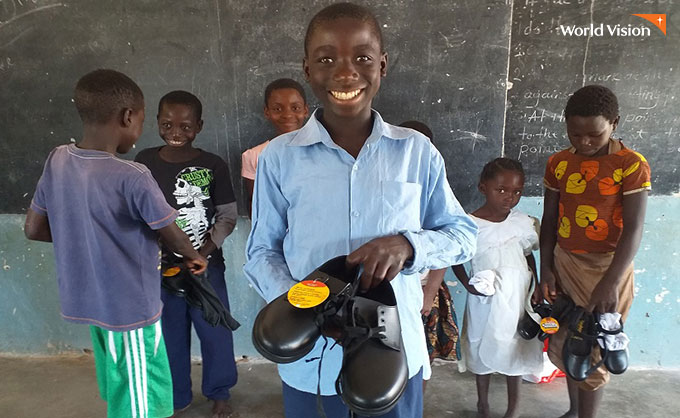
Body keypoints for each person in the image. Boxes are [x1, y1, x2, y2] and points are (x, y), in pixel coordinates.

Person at [244, 3, 478, 417]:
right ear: (307, 68)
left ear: (383, 65)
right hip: (311, 359)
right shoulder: (280, 158)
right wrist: (305, 307)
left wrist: (408, 246)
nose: (345, 72)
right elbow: (261, 252)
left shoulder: (416, 152)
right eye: (326, 59)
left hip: (388, 354)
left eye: (363, 58)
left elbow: (463, 236)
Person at [24, 69, 208, 418]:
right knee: (141, 398)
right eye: (140, 120)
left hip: (90, 300)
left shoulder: (58, 160)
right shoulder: (132, 176)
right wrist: (195, 257)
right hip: (130, 307)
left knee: (120, 384)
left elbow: (33, 229)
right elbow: (171, 231)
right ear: (127, 117)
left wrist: (81, 237)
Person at [540, 85, 650, 418]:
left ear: (614, 123)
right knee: (570, 340)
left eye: (594, 134)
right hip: (566, 263)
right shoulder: (559, 163)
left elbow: (633, 229)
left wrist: (611, 282)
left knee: (596, 346)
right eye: (575, 133)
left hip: (609, 268)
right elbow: (548, 222)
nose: (584, 142)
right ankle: (574, 411)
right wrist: (545, 267)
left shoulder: (630, 165)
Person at [134, 90, 238, 418]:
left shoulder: (213, 165)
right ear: (157, 124)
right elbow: (137, 212)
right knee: (169, 335)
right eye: (167, 124)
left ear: (199, 126)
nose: (176, 132)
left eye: (185, 126)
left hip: (205, 268)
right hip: (160, 269)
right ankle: (177, 396)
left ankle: (219, 392)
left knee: (214, 330)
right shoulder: (144, 162)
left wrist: (203, 253)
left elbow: (227, 216)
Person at [452, 158, 543, 418]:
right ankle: (483, 403)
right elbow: (455, 259)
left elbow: (528, 256)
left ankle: (513, 409)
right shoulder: (470, 224)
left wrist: (535, 286)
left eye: (516, 192)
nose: (509, 197)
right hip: (486, 298)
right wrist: (467, 285)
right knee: (481, 344)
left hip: (518, 297)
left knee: (516, 347)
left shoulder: (523, 222)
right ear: (483, 188)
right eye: (501, 190)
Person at [398, 120, 460, 395]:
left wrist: (430, 291)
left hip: (427, 288)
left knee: (422, 353)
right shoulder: (393, 189)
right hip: (395, 288)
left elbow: (446, 244)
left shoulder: (438, 193)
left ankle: (414, 401)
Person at [241, 78, 309, 216]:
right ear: (267, 112)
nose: (287, 114)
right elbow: (255, 204)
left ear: (305, 110)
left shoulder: (323, 150)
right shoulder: (254, 156)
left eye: (295, 108)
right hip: (278, 234)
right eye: (277, 109)